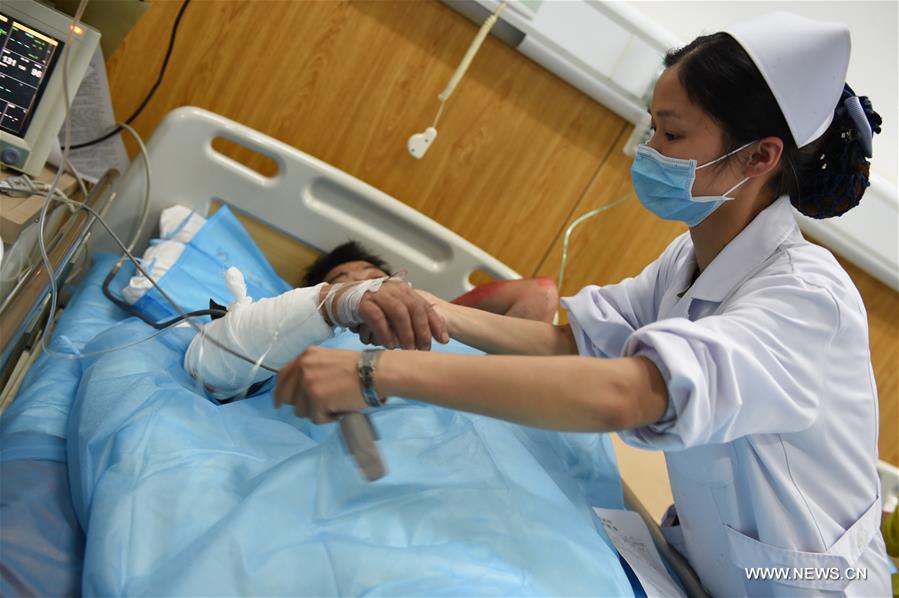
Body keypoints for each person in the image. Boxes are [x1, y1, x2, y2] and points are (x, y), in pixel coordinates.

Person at [275, 12, 890, 596]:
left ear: (759, 156)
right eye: (652, 125)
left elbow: (631, 390)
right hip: (710, 566)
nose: (647, 149)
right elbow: (578, 342)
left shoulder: (807, 298)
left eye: (672, 134)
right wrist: (423, 305)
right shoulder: (687, 259)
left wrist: (377, 373)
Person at [302, 241, 559, 324]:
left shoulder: (438, 321)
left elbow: (539, 293)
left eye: (374, 278)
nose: (365, 286)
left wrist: (442, 312)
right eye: (344, 284)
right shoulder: (314, 336)